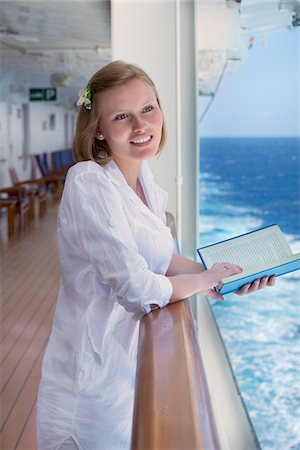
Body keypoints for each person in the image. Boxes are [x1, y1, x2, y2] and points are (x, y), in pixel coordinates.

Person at [36, 60, 275, 450]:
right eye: (122, 116)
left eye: (148, 109)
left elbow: (161, 258)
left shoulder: (143, 179)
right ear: (98, 129)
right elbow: (137, 288)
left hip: (127, 371)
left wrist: (225, 278)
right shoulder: (89, 182)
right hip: (89, 385)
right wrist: (204, 280)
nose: (141, 125)